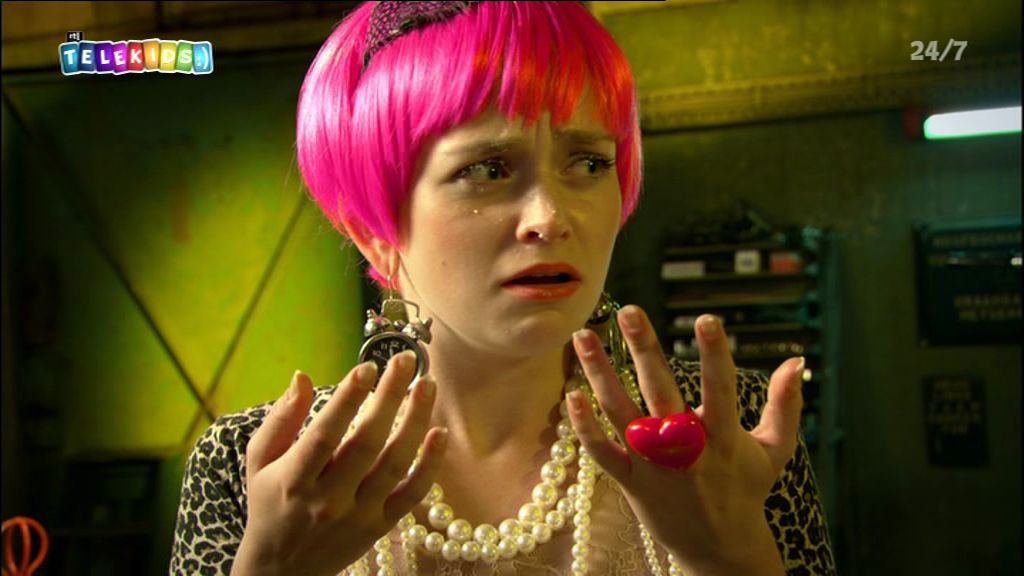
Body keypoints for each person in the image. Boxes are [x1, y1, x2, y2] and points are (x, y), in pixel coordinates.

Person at [170, 2, 836, 574]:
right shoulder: (261, 470)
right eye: (487, 170)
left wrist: (735, 560)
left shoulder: (718, 436)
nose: (550, 218)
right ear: (373, 230)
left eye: (589, 162)